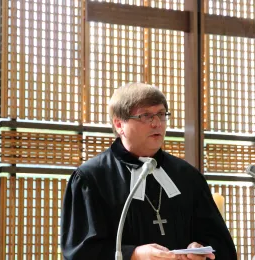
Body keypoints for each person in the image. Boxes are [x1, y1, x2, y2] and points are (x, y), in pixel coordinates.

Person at [61, 82, 237, 259]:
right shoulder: (91, 178)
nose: (157, 123)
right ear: (119, 124)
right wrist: (133, 255)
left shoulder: (187, 176)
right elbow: (80, 252)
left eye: (161, 114)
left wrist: (201, 250)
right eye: (145, 116)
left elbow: (222, 246)